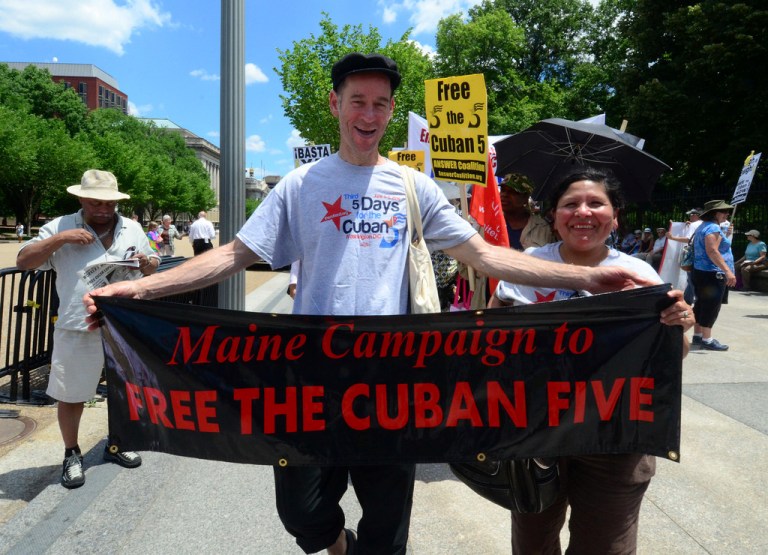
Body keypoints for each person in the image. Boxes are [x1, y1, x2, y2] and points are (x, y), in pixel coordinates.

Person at [83, 53, 683, 555]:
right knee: (302, 514)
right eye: (358, 101)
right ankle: (336, 546)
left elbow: (487, 256)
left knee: (387, 522)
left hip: (396, 374)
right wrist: (139, 288)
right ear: (335, 105)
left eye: (380, 104)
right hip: (309, 374)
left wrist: (586, 281)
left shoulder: (411, 185)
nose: (369, 114)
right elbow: (234, 255)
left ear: (391, 112)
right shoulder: (300, 185)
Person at [489, 168, 692, 554]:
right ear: (553, 215)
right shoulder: (525, 267)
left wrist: (680, 325)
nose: (583, 211)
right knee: (532, 543)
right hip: (536, 433)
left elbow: (672, 358)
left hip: (616, 439)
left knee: (606, 546)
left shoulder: (639, 274)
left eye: (596, 203)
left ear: (615, 216)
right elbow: (490, 341)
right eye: (570, 204)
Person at [16, 169, 160, 489]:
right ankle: (71, 453)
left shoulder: (133, 228)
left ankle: (118, 442)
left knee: (125, 389)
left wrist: (147, 263)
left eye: (109, 204)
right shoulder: (60, 226)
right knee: (72, 394)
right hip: (77, 324)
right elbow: (25, 260)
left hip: (124, 325)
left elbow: (153, 261)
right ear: (81, 199)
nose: (104, 210)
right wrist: (59, 240)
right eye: (96, 203)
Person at [690, 200, 736, 351]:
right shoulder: (713, 227)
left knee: (701, 303)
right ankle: (707, 339)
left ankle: (697, 335)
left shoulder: (703, 227)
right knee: (711, 305)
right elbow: (713, 251)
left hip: (701, 271)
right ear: (715, 213)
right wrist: (728, 271)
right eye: (724, 211)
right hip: (712, 273)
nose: (727, 214)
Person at [499, 173, 555, 250]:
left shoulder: (543, 228)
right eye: (503, 190)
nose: (504, 195)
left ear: (525, 198)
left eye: (512, 192)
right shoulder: (489, 221)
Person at [667, 208, 703, 304]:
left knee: (691, 278)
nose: (690, 216)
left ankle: (698, 300)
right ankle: (688, 300)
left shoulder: (694, 225)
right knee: (693, 278)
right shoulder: (705, 224)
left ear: (696, 215)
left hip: (694, 254)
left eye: (691, 214)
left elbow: (688, 239)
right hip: (704, 255)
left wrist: (672, 237)